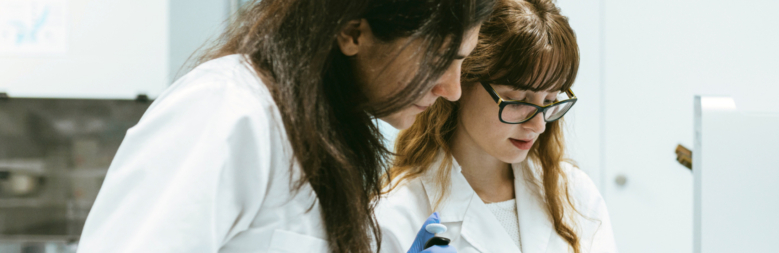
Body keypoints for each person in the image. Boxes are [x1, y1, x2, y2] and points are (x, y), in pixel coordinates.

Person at [77, 0, 493, 252]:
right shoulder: (227, 112)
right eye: (440, 58)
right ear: (353, 32)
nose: (452, 88)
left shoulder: (325, 131)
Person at [374, 0, 616, 252]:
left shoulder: (575, 194)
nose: (538, 125)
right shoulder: (395, 213)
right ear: (461, 80)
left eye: (550, 101)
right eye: (517, 100)